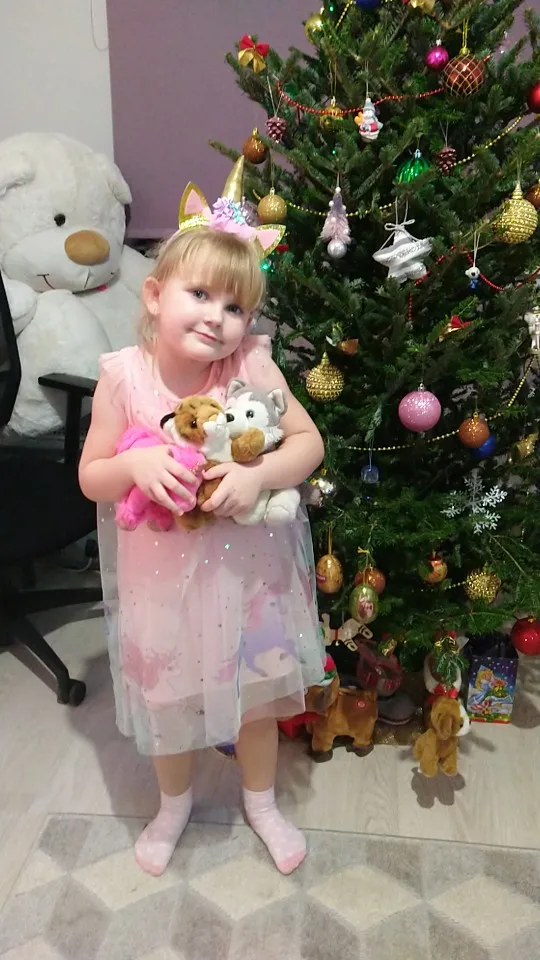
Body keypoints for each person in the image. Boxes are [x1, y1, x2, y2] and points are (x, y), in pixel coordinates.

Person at [79, 159, 325, 879]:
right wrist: (133, 465)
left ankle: (261, 801)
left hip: (248, 580)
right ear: (156, 295)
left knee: (255, 703)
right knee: (170, 701)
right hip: (161, 585)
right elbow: (92, 476)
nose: (218, 318)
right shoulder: (122, 377)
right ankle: (173, 804)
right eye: (200, 295)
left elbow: (308, 444)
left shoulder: (251, 367)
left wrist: (257, 475)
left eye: (236, 307)